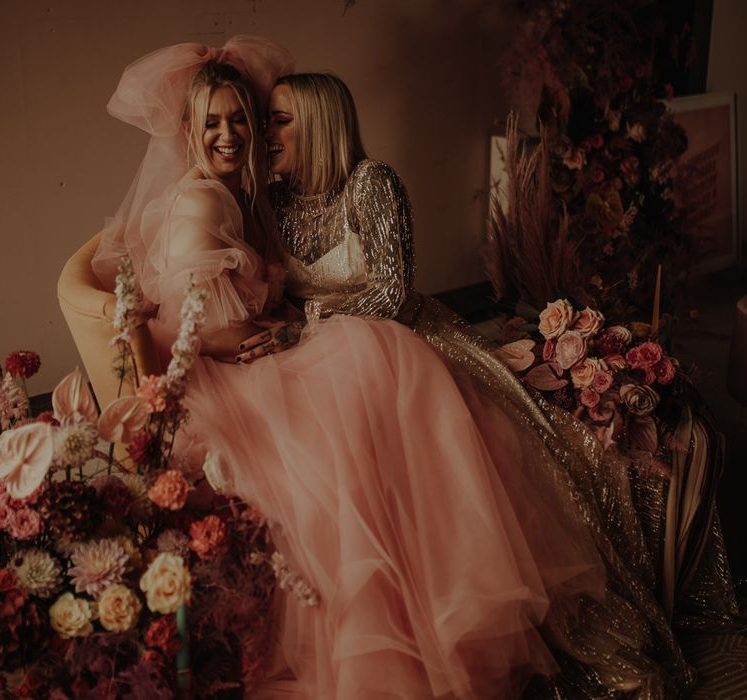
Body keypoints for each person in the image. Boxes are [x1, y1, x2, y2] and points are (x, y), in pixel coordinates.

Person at [93, 38, 616, 700]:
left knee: (388, 377)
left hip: (362, 329)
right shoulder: (232, 201)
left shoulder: (357, 184)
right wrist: (285, 332)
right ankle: (381, 620)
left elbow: (391, 290)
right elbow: (213, 321)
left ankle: (434, 592)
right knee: (352, 398)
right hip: (267, 353)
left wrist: (293, 328)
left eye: (255, 119)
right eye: (219, 123)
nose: (241, 134)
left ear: (311, 122)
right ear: (191, 132)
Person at [265, 72, 741, 697]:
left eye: (280, 120)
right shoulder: (272, 201)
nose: (266, 134)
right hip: (320, 360)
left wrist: (310, 329)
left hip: (399, 346)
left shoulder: (370, 183)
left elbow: (392, 291)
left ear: (320, 121)